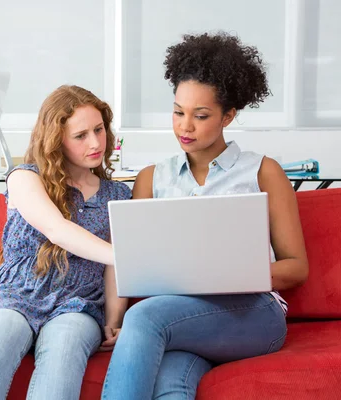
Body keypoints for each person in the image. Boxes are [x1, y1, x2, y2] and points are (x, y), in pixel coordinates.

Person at [101, 32, 309, 399]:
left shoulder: (263, 171)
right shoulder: (152, 178)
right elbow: (127, 260)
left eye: (200, 115)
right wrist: (112, 321)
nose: (185, 126)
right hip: (182, 318)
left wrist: (234, 273)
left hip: (253, 314)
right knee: (171, 382)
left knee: (145, 318)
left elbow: (296, 268)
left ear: (229, 115)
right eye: (178, 112)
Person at [0, 85, 131, 400]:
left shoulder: (117, 195)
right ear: (56, 141)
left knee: (65, 345)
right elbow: (58, 230)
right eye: (81, 135)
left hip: (79, 301)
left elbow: (111, 269)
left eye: (99, 130)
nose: (95, 142)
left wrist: (114, 321)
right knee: (3, 333)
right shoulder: (25, 178)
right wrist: (128, 255)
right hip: (15, 292)